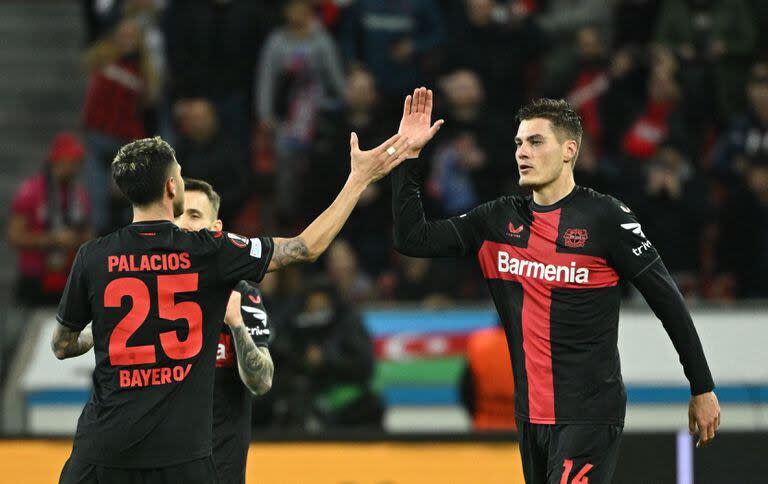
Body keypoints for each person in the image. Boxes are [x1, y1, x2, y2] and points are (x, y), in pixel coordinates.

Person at [391, 88, 720, 483]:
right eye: (518, 143)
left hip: (589, 415)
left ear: (569, 150)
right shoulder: (497, 220)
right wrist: (407, 157)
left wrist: (701, 387)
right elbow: (413, 239)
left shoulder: (606, 218)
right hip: (530, 416)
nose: (522, 152)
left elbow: (667, 299)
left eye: (534, 141)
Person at [52, 129, 411, 483]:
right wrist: (359, 178)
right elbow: (306, 247)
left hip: (102, 451)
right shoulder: (209, 251)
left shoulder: (92, 257)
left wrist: (98, 334)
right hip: (180, 456)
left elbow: (62, 345)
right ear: (171, 188)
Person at [175, 178, 272, 484]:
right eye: (177, 214)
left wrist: (236, 324)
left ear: (216, 229)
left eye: (193, 215)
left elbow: (262, 381)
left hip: (219, 472)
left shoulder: (242, 295)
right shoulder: (145, 293)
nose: (182, 224)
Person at [8, 133, 93, 306]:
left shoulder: (78, 194)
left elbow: (89, 233)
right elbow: (14, 236)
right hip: (35, 277)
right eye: (73, 161)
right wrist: (53, 239)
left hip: (67, 277)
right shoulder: (31, 191)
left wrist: (76, 239)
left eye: (79, 162)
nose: (77, 167)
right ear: (58, 160)